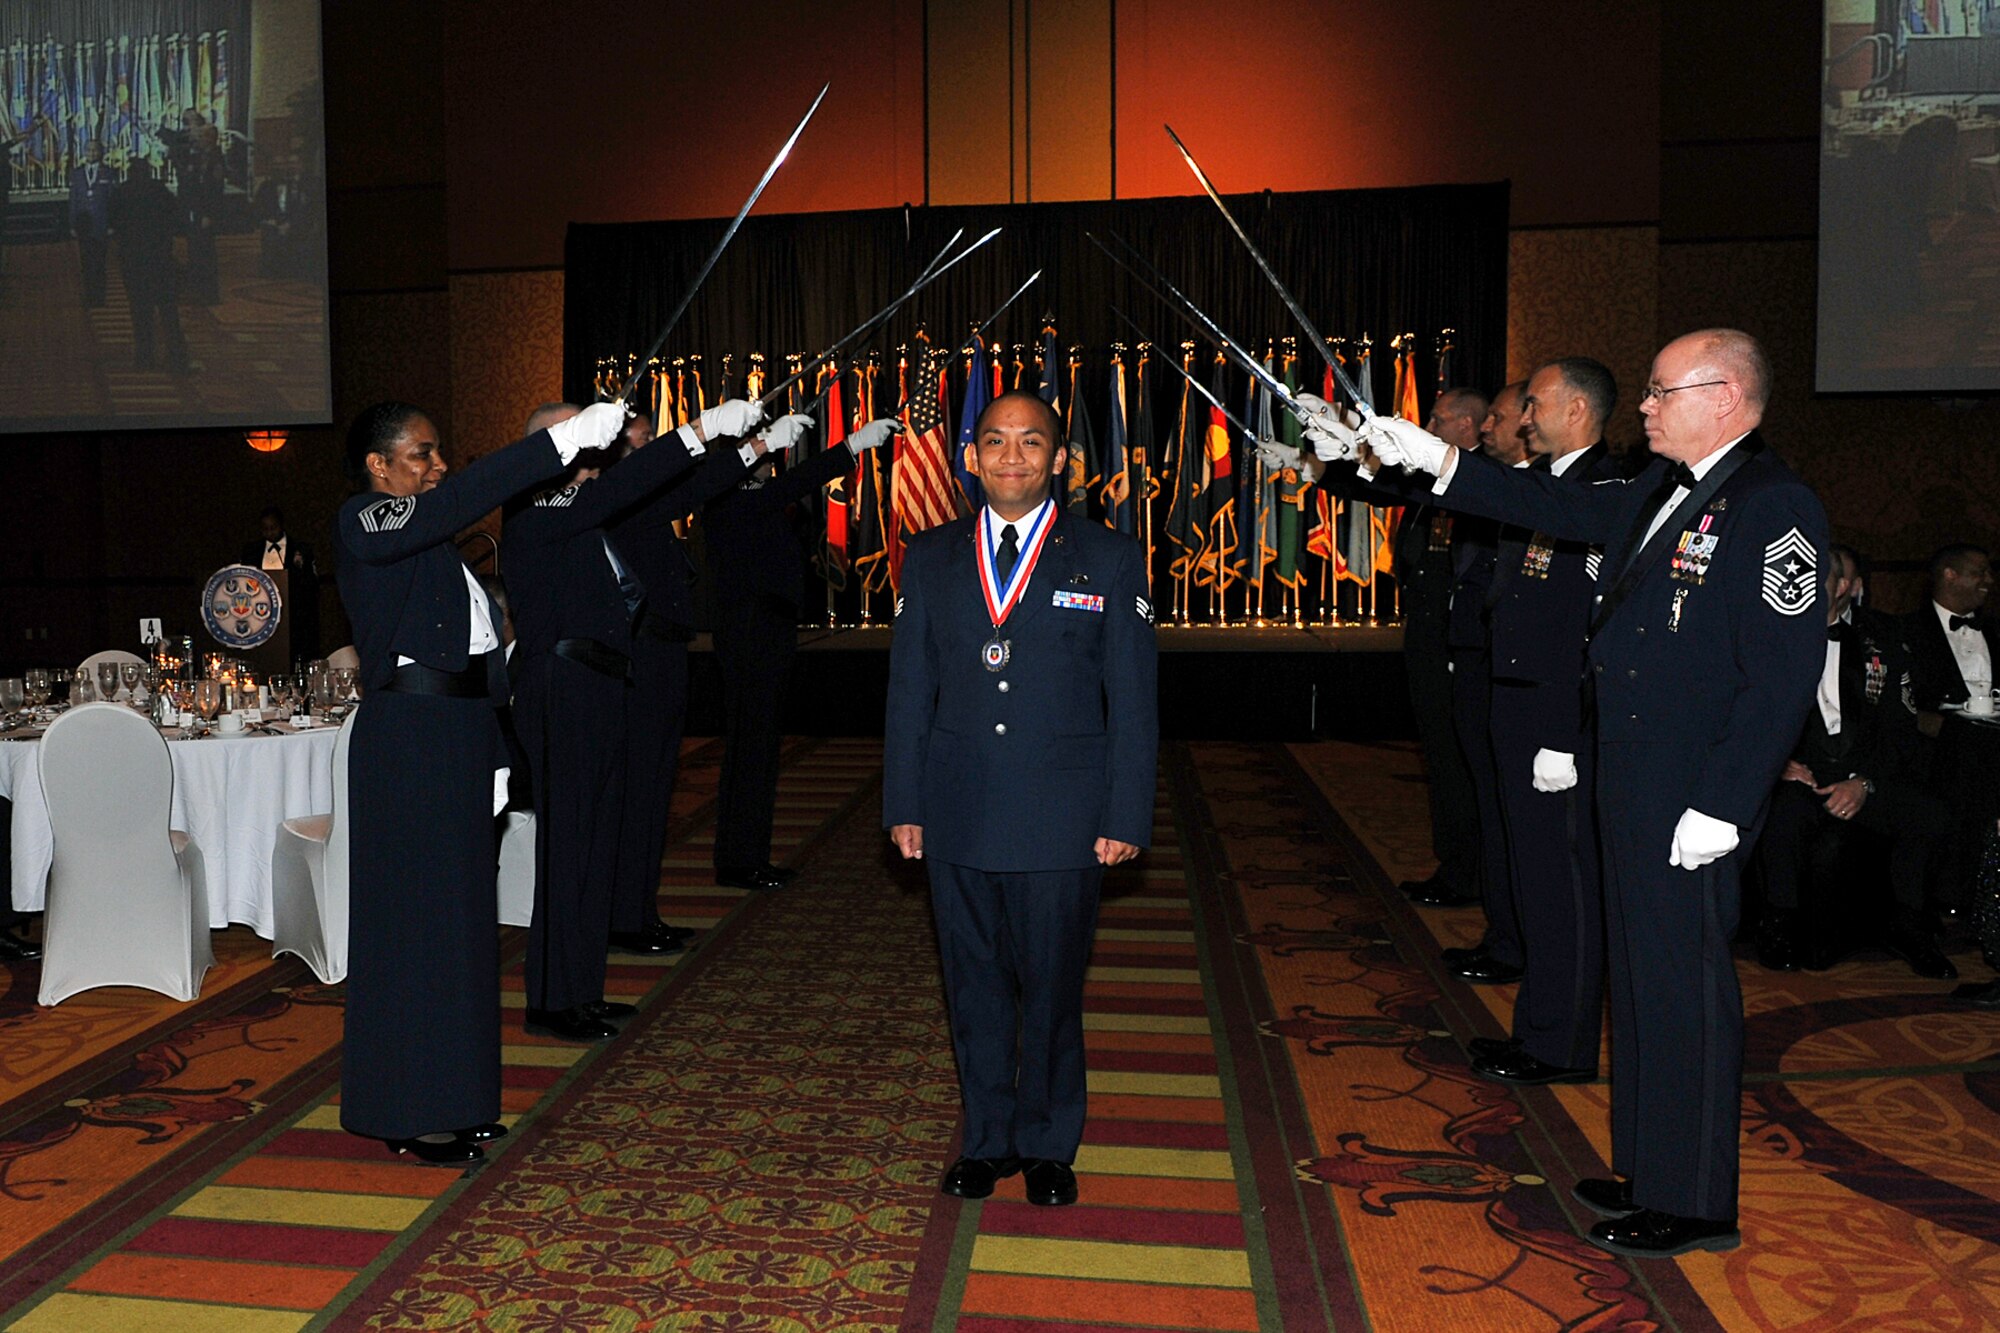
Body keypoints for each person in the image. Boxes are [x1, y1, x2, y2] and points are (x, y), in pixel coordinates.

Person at [1347, 328, 1828, 1257]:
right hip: (1632, 780)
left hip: (1693, 799)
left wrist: (1726, 803)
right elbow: (1549, 505)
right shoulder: (1657, 486)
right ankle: (1652, 1168)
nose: (1643, 407)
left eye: (1661, 391)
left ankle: (1695, 1200)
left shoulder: (1777, 506)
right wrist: (1443, 462)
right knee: (1640, 985)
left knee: (1684, 990)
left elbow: (1781, 675)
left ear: (1724, 396)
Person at [332, 396, 625, 1164]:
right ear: (378, 464)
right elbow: (460, 500)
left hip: (458, 739)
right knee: (412, 932)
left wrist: (494, 750)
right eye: (421, 453)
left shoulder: (437, 544)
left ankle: (459, 1098)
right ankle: (403, 1107)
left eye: (437, 455)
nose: (435, 467)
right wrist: (555, 445)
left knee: (463, 932)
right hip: (407, 743)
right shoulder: (365, 520)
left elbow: (478, 656)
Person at [885, 389, 1158, 1209]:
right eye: (995, 441)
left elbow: (1134, 699)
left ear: (1059, 458)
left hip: (1062, 817)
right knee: (971, 984)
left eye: (1031, 442)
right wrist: (905, 800)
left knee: (1050, 986)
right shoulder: (930, 555)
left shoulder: (1108, 558)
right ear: (969, 457)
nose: (1012, 456)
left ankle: (1046, 1142)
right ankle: (987, 1139)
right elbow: (909, 691)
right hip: (959, 807)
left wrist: (1124, 813)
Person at [502, 398, 768, 1041]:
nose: (596, 450)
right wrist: (698, 432)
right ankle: (552, 998)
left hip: (601, 683)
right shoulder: (536, 508)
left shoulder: (585, 504)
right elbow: (620, 486)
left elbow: (648, 490)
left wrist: (739, 450)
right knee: (568, 848)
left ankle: (581, 991)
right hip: (561, 684)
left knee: (597, 842)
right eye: (578, 437)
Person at [1470, 357, 1621, 1084]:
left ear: (1578, 410)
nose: (1524, 418)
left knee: (1561, 884)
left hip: (1556, 711)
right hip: (1520, 700)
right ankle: (1538, 1028)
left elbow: (1586, 626)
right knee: (1534, 877)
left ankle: (1559, 1044)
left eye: (1535, 405)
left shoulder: (1604, 489)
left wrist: (1563, 730)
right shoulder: (1554, 484)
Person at [604, 412, 790, 954]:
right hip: (641, 657)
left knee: (656, 789)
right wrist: (752, 447)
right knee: (639, 793)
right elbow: (698, 487)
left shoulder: (638, 502)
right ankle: (627, 916)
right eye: (639, 444)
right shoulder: (621, 502)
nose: (648, 451)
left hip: (663, 654)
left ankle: (640, 910)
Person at [700, 412, 899, 890]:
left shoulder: (749, 495)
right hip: (750, 630)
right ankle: (739, 859)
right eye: (757, 445)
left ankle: (746, 854)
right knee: (751, 748)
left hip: (766, 628)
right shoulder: (727, 495)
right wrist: (850, 446)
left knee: (760, 748)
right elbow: (792, 486)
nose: (772, 456)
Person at [1753, 546, 1955, 978]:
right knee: (1783, 814)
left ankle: (1908, 923)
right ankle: (1780, 922)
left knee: (1929, 815)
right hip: (1798, 772)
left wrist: (1865, 782)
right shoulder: (1766, 635)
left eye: (1815, 578)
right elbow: (1744, 712)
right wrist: (1779, 762)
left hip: (1864, 771)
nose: (1798, 587)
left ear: (1842, 587)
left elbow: (1901, 729)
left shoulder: (1882, 637)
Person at [110, 161, 188, 375]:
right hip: (160, 259)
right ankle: (177, 358)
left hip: (133, 261)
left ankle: (144, 357)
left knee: (139, 310)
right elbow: (176, 217)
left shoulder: (121, 192)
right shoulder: (159, 190)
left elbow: (113, 222)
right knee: (168, 311)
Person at [241, 506, 321, 661]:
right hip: (260, 614)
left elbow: (311, 583)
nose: (270, 532)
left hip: (293, 615)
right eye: (265, 529)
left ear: (281, 525)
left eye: (273, 528)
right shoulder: (251, 551)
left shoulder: (300, 549)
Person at [67, 140, 112, 308]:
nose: (91, 153)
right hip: (83, 225)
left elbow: (112, 200)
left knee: (99, 264)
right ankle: (89, 298)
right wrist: (72, 224)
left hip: (101, 224)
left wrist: (111, 224)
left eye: (95, 150)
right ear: (84, 152)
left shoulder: (107, 172)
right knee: (86, 263)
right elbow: (73, 201)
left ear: (100, 153)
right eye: (88, 150)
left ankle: (100, 298)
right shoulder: (77, 173)